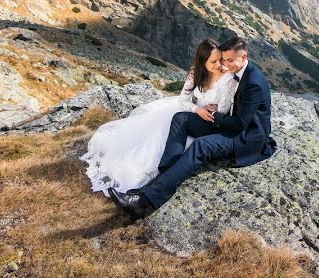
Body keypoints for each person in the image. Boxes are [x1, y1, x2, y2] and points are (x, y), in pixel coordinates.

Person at [108, 36, 277, 219]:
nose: (225, 65)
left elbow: (240, 124)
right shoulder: (236, 71)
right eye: (224, 59)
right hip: (229, 123)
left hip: (245, 136)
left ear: (244, 57)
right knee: (181, 119)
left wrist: (214, 115)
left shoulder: (253, 82)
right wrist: (200, 110)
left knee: (201, 146)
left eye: (229, 60)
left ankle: (143, 203)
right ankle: (164, 177)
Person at [80, 38, 237, 195]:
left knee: (175, 126)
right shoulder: (195, 73)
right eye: (213, 61)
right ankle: (163, 172)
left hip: (211, 121)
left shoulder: (227, 78)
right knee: (156, 135)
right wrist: (198, 109)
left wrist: (211, 108)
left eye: (220, 60)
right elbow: (182, 100)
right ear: (203, 62)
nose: (219, 65)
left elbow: (222, 112)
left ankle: (164, 174)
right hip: (194, 112)